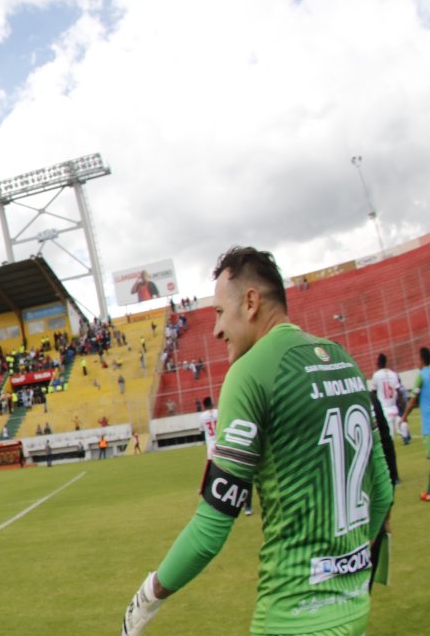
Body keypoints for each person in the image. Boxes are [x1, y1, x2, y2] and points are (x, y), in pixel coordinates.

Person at [121, 246, 392, 636]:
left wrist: (148, 595)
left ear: (250, 302)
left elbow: (211, 529)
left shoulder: (251, 372)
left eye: (218, 312)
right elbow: (381, 494)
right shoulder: (344, 360)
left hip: (290, 618)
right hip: (354, 613)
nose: (215, 329)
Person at [399, 346, 430, 501]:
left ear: (422, 359)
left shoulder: (421, 376)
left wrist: (404, 416)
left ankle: (428, 492)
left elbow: (412, 401)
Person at [370, 353, 405, 443]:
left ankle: (402, 431)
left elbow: (373, 393)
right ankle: (404, 432)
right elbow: (399, 392)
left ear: (378, 363)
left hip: (383, 408)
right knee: (400, 425)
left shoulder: (376, 375)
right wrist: (404, 409)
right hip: (394, 408)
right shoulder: (393, 374)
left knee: (387, 438)